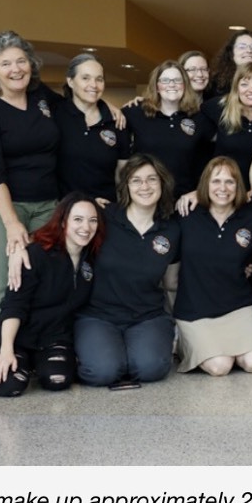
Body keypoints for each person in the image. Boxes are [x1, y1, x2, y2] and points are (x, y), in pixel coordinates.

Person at [0, 30, 61, 335]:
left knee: (42, 281)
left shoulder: (42, 96)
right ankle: (0, 356)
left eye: (21, 61)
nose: (16, 69)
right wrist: (12, 223)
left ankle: (34, 351)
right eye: (5, 64)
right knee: (5, 284)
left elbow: (77, 109)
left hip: (45, 203)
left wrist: (110, 108)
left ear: (31, 64)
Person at [0, 194, 102, 397]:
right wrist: (6, 350)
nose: (86, 227)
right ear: (62, 221)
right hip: (17, 337)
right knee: (12, 384)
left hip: (54, 337)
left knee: (58, 380)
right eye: (78, 219)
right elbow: (14, 306)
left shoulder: (92, 258)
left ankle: (34, 366)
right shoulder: (36, 255)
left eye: (92, 220)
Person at [70, 154, 180, 387]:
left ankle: (127, 355)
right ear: (126, 186)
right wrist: (23, 249)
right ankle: (106, 354)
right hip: (98, 315)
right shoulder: (104, 216)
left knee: (151, 368)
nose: (144, 186)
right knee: (102, 372)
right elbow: (65, 235)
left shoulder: (172, 228)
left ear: (163, 183)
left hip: (148, 316)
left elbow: (171, 281)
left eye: (152, 179)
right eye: (136, 180)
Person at [173, 156, 252, 376]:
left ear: (238, 186)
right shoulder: (186, 214)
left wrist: (251, 265)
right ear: (205, 184)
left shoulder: (251, 217)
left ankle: (223, 349)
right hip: (195, 311)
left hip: (239, 307)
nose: (223, 188)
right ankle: (183, 344)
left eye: (229, 182)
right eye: (216, 181)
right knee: (220, 366)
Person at [50, 53, 132, 201]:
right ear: (70, 81)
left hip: (106, 208)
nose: (93, 85)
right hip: (65, 208)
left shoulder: (117, 121)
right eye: (85, 78)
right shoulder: (54, 114)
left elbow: (122, 177)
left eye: (99, 79)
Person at [122, 59, 209, 195]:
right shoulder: (135, 112)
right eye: (165, 80)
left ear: (185, 85)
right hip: (146, 196)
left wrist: (198, 193)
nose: (172, 84)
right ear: (157, 86)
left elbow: (208, 161)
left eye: (177, 80)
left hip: (184, 199)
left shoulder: (199, 118)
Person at [201, 61, 252, 187]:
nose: (251, 89)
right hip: (223, 189)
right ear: (236, 88)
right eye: (244, 84)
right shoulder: (220, 108)